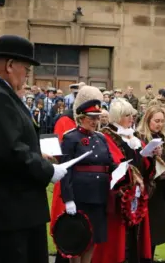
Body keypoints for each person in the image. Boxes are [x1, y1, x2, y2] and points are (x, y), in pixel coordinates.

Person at [0, 34, 68, 263]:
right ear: (10, 65)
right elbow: (11, 152)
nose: (27, 77)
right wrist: (47, 170)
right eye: (26, 69)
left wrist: (36, 153)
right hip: (6, 215)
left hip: (3, 213)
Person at [94, 98, 151, 263]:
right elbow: (115, 163)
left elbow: (144, 163)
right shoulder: (107, 136)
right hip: (119, 195)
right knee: (117, 239)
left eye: (132, 115)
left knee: (134, 238)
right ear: (118, 116)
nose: (131, 119)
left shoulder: (133, 137)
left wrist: (152, 155)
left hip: (136, 194)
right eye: (127, 115)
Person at [60, 97, 117, 263]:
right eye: (91, 118)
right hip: (80, 195)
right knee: (77, 238)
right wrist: (68, 199)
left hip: (99, 195)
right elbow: (65, 169)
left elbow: (109, 162)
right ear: (81, 118)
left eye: (97, 117)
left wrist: (123, 170)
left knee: (94, 236)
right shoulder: (71, 138)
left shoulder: (101, 138)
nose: (95, 121)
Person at [135, 106, 165, 259]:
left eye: (162, 121)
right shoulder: (140, 138)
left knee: (155, 233)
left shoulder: (164, 138)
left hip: (160, 191)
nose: (160, 124)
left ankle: (150, 256)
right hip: (146, 190)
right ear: (147, 120)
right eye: (156, 121)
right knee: (144, 232)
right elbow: (137, 164)